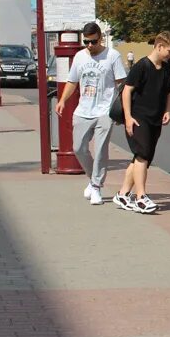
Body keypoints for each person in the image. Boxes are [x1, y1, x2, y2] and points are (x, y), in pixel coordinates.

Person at [56, 22, 126, 205]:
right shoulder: (79, 57)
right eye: (86, 41)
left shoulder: (112, 56)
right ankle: (92, 178)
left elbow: (122, 84)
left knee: (101, 149)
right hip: (83, 110)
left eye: (93, 41)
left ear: (100, 38)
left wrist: (122, 110)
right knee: (79, 148)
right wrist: (62, 100)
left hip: (105, 111)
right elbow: (72, 81)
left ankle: (96, 186)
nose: (89, 45)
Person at [115, 32, 170, 214]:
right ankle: (140, 197)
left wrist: (167, 110)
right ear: (159, 47)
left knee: (142, 158)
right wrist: (128, 117)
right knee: (142, 154)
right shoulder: (141, 66)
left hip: (155, 118)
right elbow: (126, 92)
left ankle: (122, 194)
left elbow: (169, 92)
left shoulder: (167, 68)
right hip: (138, 117)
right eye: (169, 51)